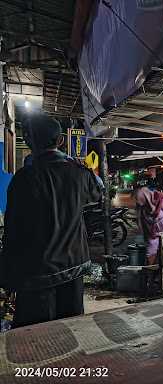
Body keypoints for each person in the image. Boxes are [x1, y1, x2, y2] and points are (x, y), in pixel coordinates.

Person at [0, 114, 102, 328]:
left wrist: (8, 275)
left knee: (37, 340)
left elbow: (13, 231)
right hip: (74, 268)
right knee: (71, 331)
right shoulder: (79, 173)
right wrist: (79, 165)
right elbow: (97, 192)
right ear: (61, 141)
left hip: (37, 274)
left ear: (29, 142)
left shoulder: (24, 178)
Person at [133, 187, 163, 264]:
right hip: (153, 237)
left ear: (146, 196)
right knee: (150, 257)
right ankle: (151, 274)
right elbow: (142, 223)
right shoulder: (143, 207)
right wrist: (144, 236)